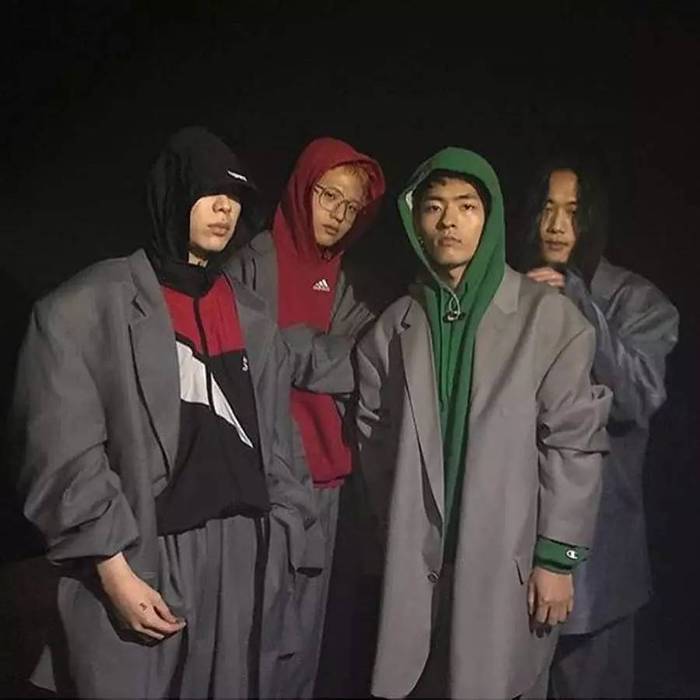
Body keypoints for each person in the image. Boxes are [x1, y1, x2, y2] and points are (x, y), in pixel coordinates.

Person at [8, 126, 317, 699]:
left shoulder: (252, 318)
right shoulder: (83, 307)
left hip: (245, 554)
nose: (225, 208)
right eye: (209, 191)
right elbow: (61, 456)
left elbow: (280, 446)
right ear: (171, 193)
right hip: (145, 552)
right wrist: (112, 569)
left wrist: (287, 530)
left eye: (236, 196)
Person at [354, 147, 611, 698]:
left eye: (467, 206)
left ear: (489, 218)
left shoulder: (548, 320)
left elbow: (574, 443)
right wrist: (394, 526)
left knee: (499, 680)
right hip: (420, 568)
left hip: (505, 565)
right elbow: (374, 437)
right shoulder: (393, 328)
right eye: (433, 207)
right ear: (414, 221)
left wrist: (557, 557)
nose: (449, 221)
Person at [227, 136, 386, 698]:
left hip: (328, 485)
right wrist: (312, 353)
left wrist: (290, 349)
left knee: (309, 645)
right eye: (329, 196)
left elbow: (367, 361)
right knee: (253, 636)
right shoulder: (248, 264)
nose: (339, 215)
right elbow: (248, 358)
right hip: (262, 485)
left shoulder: (351, 282)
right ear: (302, 187)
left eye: (352, 207)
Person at [521, 160, 679, 698]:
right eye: (546, 209)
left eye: (572, 212)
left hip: (597, 571)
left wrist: (579, 306)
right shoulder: (515, 290)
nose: (556, 225)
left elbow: (638, 397)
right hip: (514, 558)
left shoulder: (639, 300)